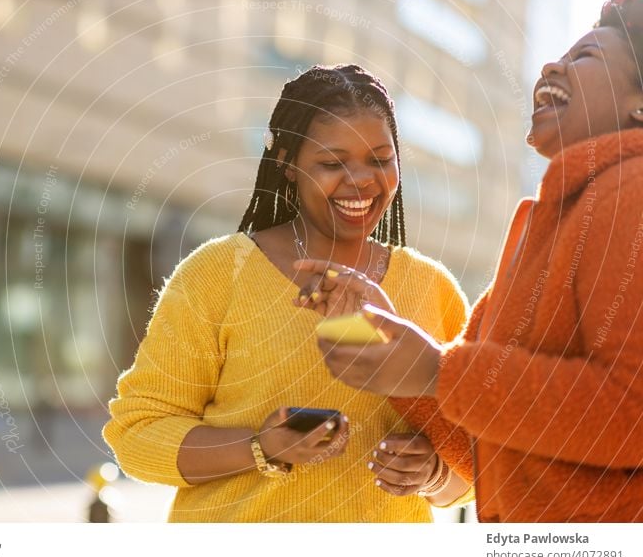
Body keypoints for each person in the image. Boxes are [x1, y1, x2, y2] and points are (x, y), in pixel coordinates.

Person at [309, 0, 643, 522]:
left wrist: (435, 371)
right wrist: (379, 333)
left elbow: (630, 415)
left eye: (586, 58)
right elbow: (485, 448)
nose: (551, 64)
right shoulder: (540, 224)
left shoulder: (631, 189)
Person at [103, 64, 472, 522]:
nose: (360, 180)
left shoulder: (431, 288)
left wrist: (434, 474)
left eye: (379, 159)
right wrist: (260, 447)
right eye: (332, 163)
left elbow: (484, 459)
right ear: (288, 164)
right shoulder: (218, 274)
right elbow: (137, 434)